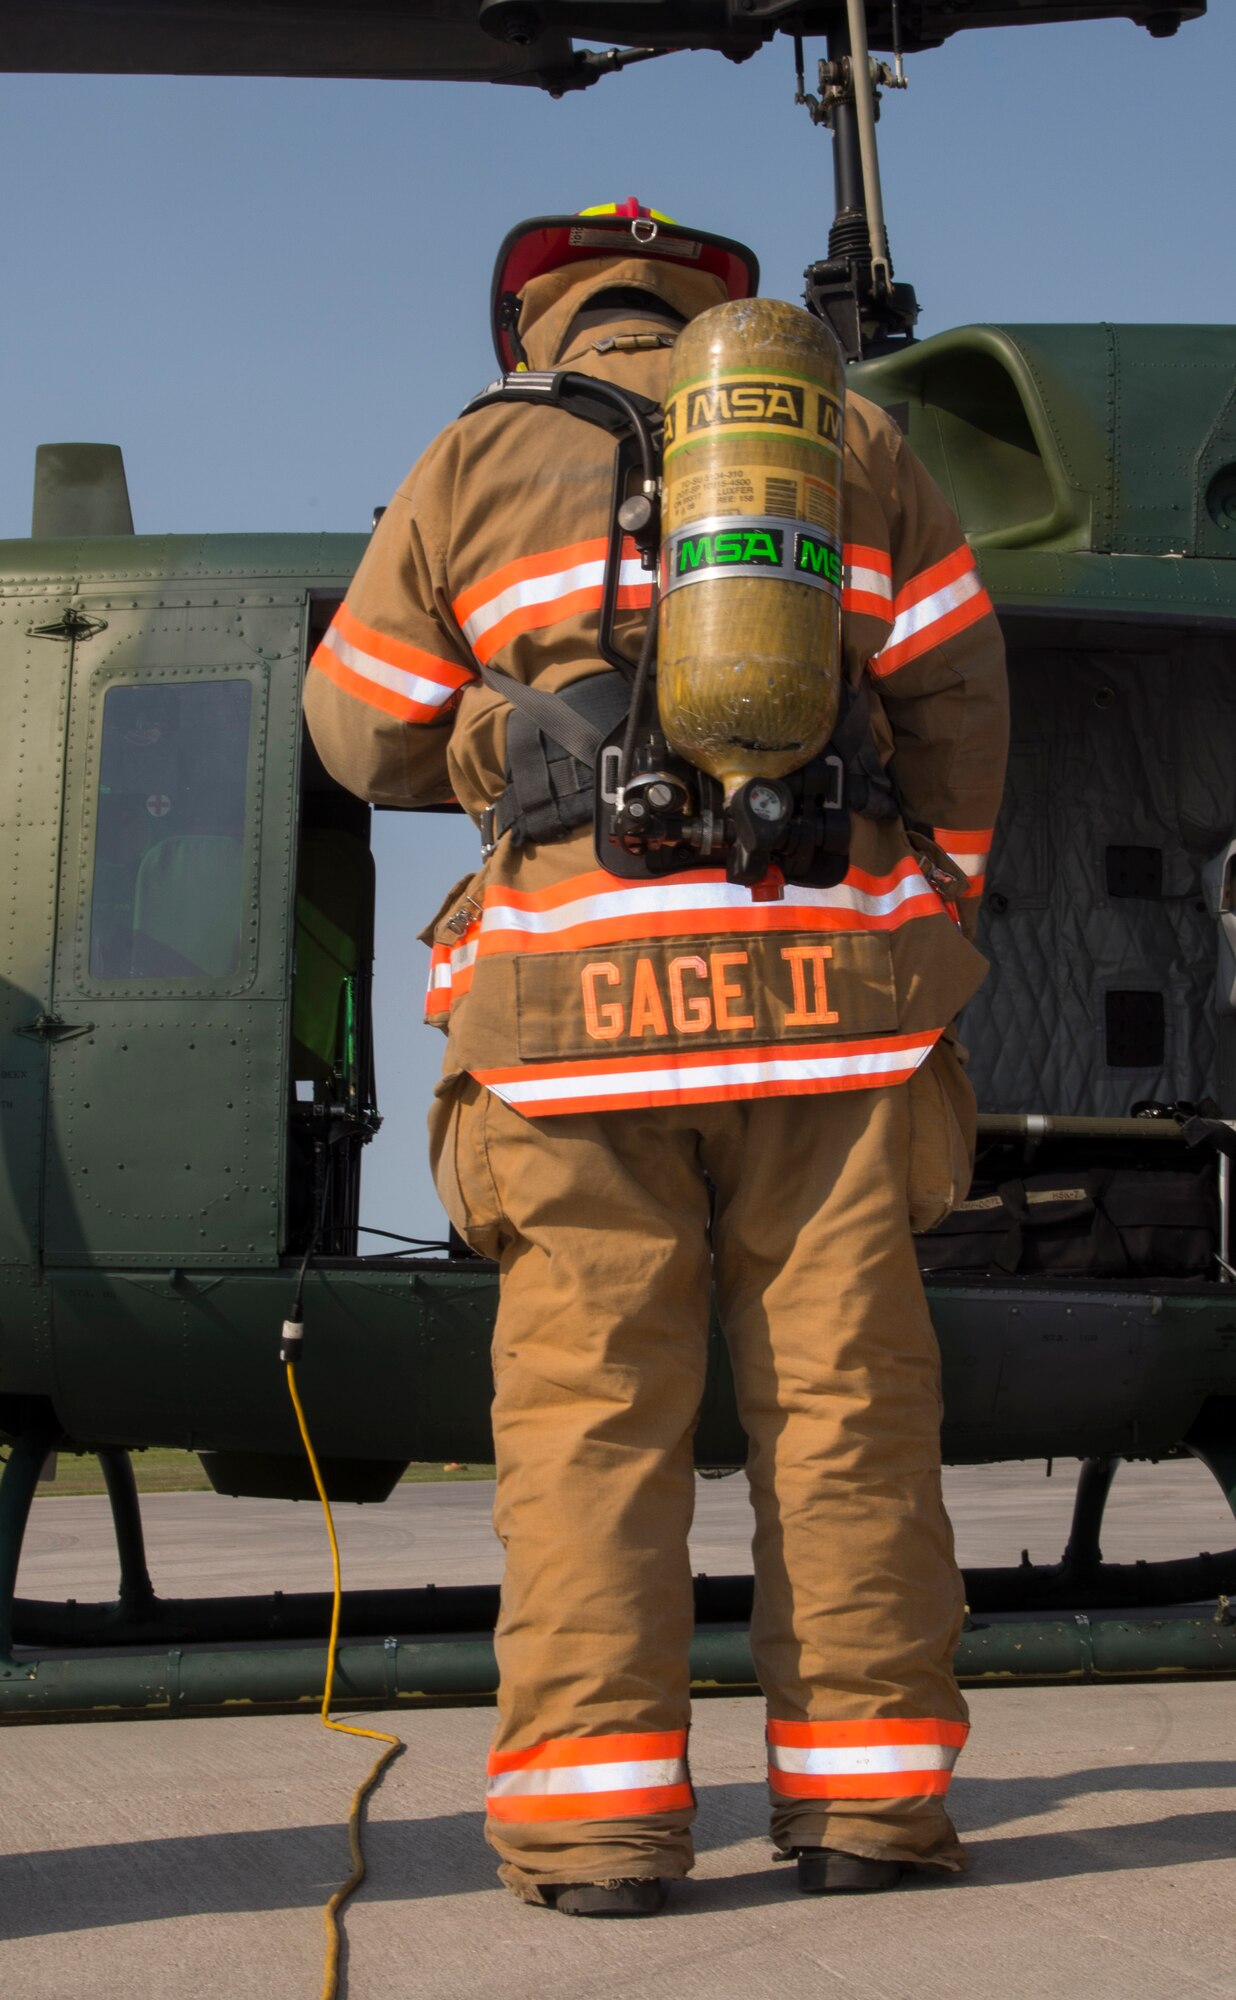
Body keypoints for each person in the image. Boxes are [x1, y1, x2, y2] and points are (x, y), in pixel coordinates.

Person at [304, 198, 1008, 1918]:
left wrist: (495, 731)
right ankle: (867, 1816)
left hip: (573, 1033)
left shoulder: (475, 455)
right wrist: (934, 907)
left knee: (588, 1432)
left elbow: (356, 724)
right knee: (847, 1425)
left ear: (537, 322)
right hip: (832, 1026)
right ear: (718, 316)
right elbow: (960, 692)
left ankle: (600, 1831)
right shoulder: (850, 436)